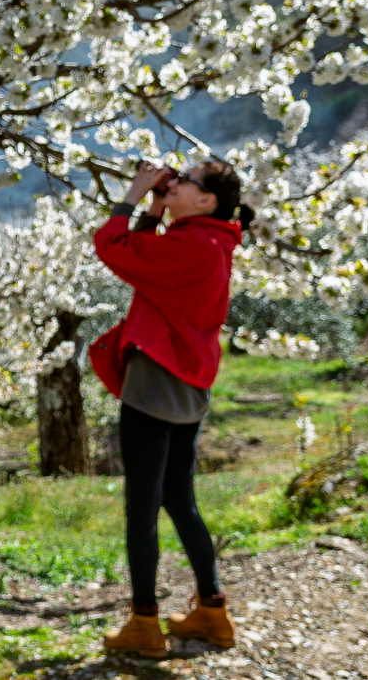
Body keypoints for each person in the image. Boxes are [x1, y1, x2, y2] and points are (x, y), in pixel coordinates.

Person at [90, 159, 250, 658]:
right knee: (179, 499)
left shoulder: (190, 246)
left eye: (186, 181)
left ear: (206, 201)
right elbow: (142, 259)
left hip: (155, 385)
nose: (174, 182)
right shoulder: (211, 242)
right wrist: (157, 209)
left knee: (142, 507)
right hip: (188, 385)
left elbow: (114, 248)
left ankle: (143, 624)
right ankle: (213, 611)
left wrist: (134, 195)